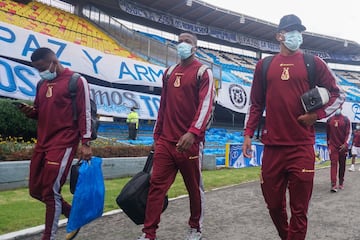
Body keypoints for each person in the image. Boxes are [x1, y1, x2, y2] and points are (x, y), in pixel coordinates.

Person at [242, 14, 345, 240]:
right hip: (273, 148)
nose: (297, 35)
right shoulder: (264, 65)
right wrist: (248, 134)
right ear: (280, 36)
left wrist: (316, 115)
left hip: (301, 148)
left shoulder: (313, 62)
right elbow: (256, 103)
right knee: (273, 205)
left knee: (299, 210)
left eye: (300, 31)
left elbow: (339, 95)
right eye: (291, 31)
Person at [137, 32, 215, 240]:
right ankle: (149, 233)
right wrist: (157, 135)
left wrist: (192, 133)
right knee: (156, 186)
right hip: (166, 141)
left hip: (190, 143)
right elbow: (163, 106)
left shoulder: (203, 72)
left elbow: (205, 106)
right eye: (179, 41)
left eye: (187, 42)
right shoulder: (169, 72)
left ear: (195, 47)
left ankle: (195, 228)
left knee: (194, 189)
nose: (182, 45)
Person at [17, 47, 93, 240]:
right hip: (42, 143)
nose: (40, 72)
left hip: (64, 143)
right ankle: (72, 214)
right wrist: (30, 112)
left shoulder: (76, 81)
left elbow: (85, 113)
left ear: (54, 62)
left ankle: (48, 237)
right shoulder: (42, 84)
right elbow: (40, 111)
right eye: (36, 69)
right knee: (36, 191)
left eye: (42, 67)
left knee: (50, 192)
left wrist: (85, 143)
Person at [326, 108, 351, 192]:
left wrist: (345, 144)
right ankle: (333, 185)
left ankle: (341, 182)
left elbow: (349, 133)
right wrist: (329, 146)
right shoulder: (329, 120)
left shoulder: (346, 120)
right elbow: (328, 134)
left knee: (342, 165)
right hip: (333, 147)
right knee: (333, 164)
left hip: (343, 147)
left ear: (341, 108)